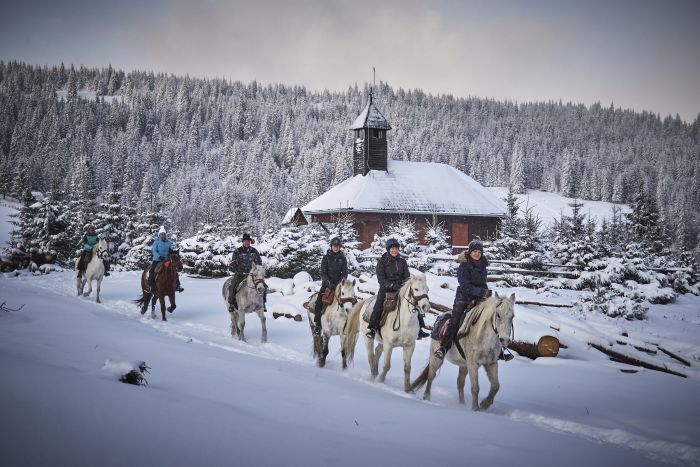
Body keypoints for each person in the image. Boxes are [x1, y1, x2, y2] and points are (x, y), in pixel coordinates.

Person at [434, 239, 509, 360]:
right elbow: (465, 285)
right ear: (470, 252)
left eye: (479, 251)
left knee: (492, 317)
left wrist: (486, 292)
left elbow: (482, 283)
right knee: (455, 320)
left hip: (479, 299)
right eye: (474, 251)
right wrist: (480, 292)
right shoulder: (463, 266)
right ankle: (444, 347)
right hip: (463, 298)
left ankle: (498, 349)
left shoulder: (483, 265)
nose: (477, 254)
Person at [366, 238, 430, 340]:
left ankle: (420, 329)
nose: (394, 250)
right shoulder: (382, 262)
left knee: (415, 302)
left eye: (396, 248)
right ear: (388, 249)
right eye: (392, 248)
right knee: (379, 304)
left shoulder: (402, 261)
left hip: (400, 288)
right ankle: (372, 328)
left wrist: (402, 285)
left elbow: (407, 277)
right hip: (386, 288)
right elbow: (381, 279)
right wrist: (392, 285)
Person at [312, 237, 348, 336]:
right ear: (331, 246)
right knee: (319, 301)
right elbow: (323, 272)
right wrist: (328, 282)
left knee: (351, 300)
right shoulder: (326, 258)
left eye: (337, 246)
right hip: (327, 284)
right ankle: (318, 325)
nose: (336, 248)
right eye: (334, 246)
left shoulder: (343, 258)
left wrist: (340, 283)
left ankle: (350, 323)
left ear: (339, 247)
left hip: (339, 285)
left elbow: (345, 273)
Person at [228, 233, 262, 311]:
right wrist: (238, 271)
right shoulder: (237, 251)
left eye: (248, 241)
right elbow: (233, 264)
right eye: (245, 241)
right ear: (243, 242)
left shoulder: (254, 251)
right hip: (240, 274)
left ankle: (262, 303)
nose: (247, 243)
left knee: (262, 285)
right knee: (233, 285)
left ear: (250, 242)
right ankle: (231, 304)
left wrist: (257, 270)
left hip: (252, 274)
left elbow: (259, 262)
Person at [146, 226, 183, 293]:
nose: (163, 236)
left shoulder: (169, 242)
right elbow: (154, 251)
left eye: (164, 234)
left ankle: (178, 285)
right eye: (161, 234)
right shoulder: (156, 242)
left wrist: (174, 250)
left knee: (174, 271)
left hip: (167, 260)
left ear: (166, 235)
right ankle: (150, 286)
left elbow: (172, 249)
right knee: (152, 271)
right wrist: (159, 256)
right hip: (157, 260)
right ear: (159, 235)